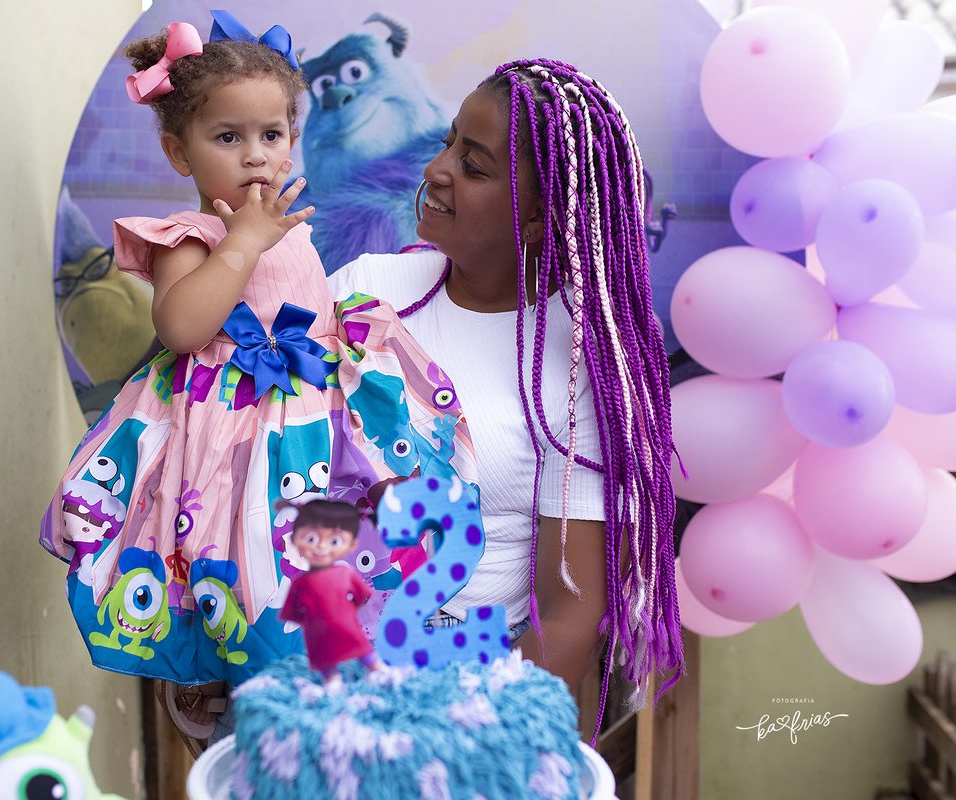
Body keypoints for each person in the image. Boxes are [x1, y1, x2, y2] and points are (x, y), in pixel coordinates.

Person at [38, 11, 477, 745]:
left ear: (293, 140)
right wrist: (239, 242)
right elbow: (182, 327)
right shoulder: (191, 237)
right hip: (226, 435)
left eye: (271, 136)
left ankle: (349, 642)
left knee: (328, 534)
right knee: (232, 554)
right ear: (179, 152)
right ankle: (226, 678)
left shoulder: (293, 220)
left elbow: (307, 303)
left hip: (309, 421)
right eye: (227, 138)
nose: (254, 157)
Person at [328, 59, 683, 734]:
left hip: (466, 696)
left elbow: (569, 612)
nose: (437, 171)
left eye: (475, 165)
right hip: (318, 669)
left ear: (544, 217)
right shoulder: (364, 288)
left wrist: (466, 739)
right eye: (447, 142)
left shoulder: (580, 360)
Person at [278, 498, 385, 684]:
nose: (321, 546)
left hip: (347, 629)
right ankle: (333, 684)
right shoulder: (300, 584)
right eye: (311, 538)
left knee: (366, 655)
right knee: (327, 665)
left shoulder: (345, 573)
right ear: (294, 540)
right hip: (319, 636)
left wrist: (345, 613)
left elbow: (363, 596)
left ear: (351, 545)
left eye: (334, 540)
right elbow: (293, 613)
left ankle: (379, 673)